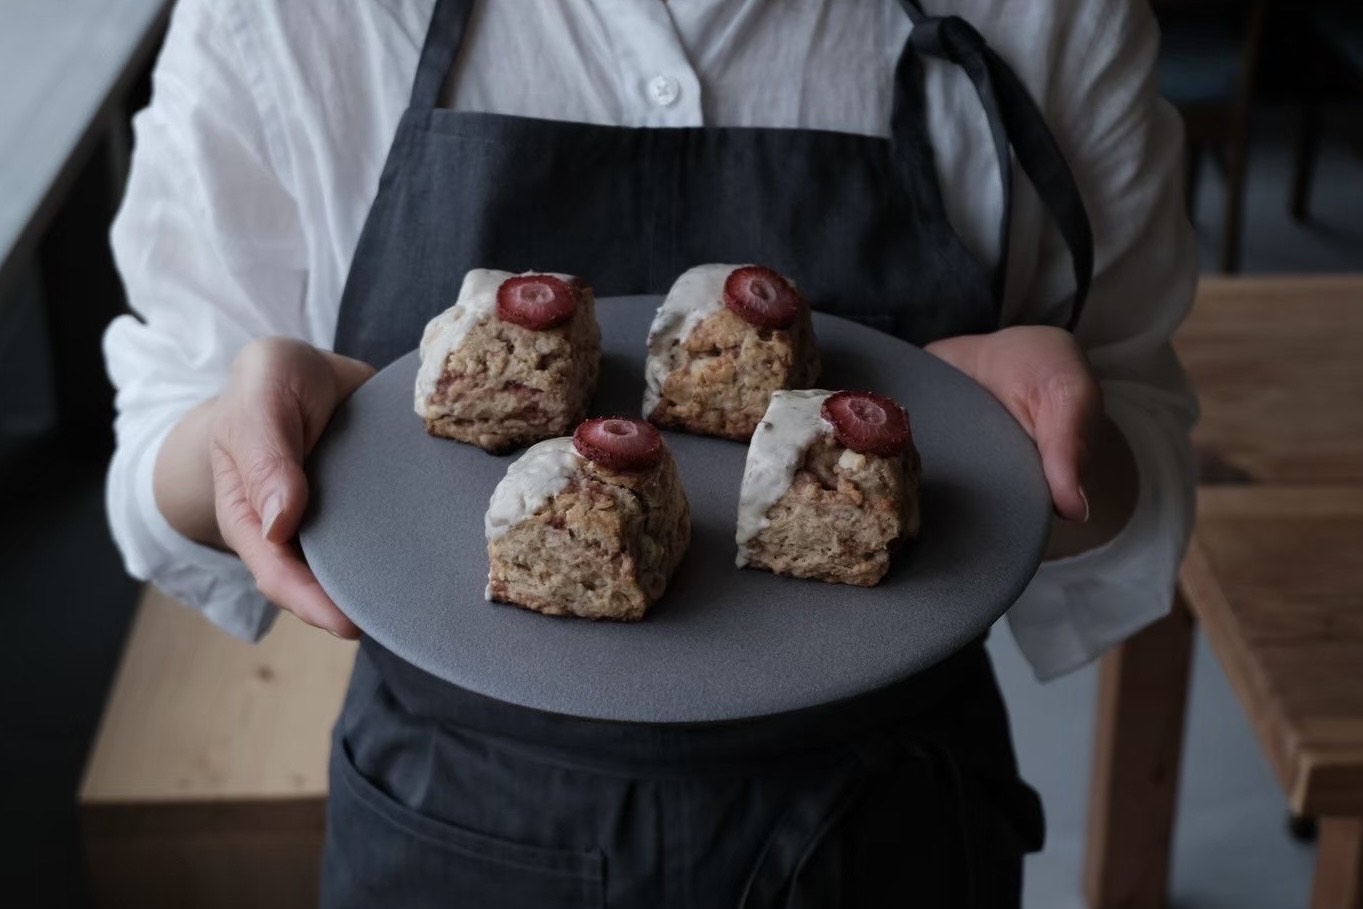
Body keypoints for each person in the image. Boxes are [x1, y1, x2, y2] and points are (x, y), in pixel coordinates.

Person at [104, 0, 1197, 905]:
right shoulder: (288, 20)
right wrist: (245, 441)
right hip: (449, 820)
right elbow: (158, 453)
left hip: (888, 821)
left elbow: (1134, 478)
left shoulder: (1053, 17)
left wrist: (1044, 444)